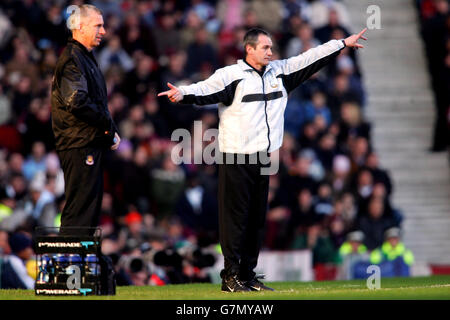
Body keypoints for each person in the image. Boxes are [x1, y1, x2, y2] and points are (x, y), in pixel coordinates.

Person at [158, 27, 367, 292]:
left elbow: (311, 58)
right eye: (265, 47)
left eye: (271, 47)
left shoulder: (280, 72)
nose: (271, 52)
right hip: (235, 157)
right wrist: (183, 93)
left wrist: (342, 44)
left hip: (263, 158)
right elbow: (205, 89)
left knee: (256, 219)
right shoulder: (232, 75)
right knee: (235, 218)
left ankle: (247, 274)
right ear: (249, 49)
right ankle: (230, 276)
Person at [50, 4, 120, 236]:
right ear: (79, 27)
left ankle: (76, 263)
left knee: (87, 209)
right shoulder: (73, 60)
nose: (104, 31)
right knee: (80, 209)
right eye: (98, 25)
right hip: (79, 144)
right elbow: (76, 101)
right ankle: (70, 264)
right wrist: (108, 127)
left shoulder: (84, 58)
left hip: (86, 142)